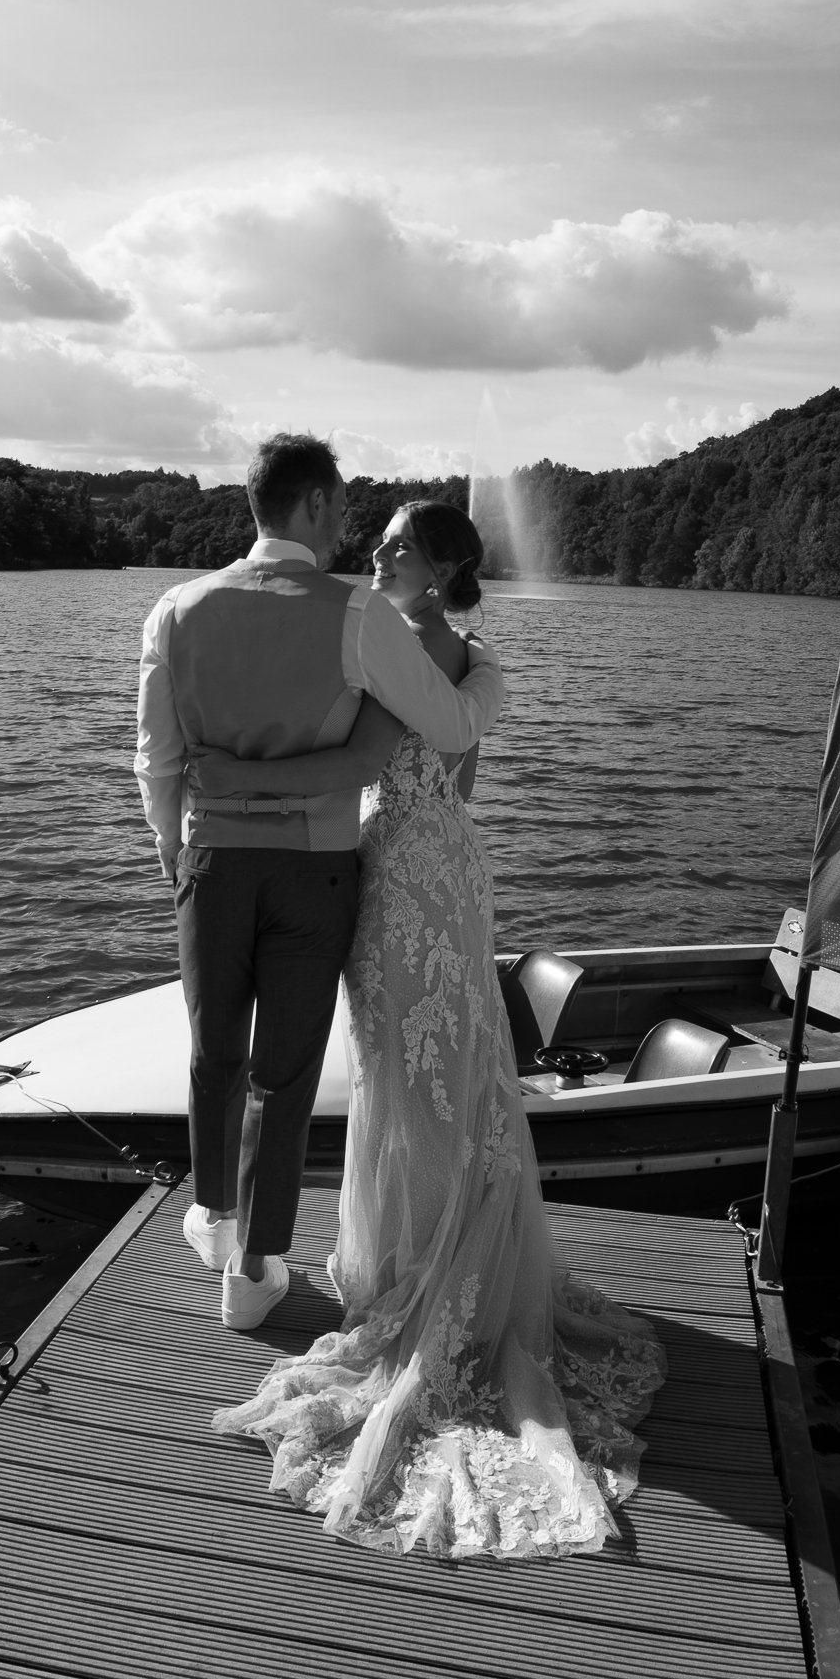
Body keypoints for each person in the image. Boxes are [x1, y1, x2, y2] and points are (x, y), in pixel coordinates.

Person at [194, 501, 666, 1558]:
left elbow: (355, 766)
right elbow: (454, 772)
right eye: (381, 541)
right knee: (447, 1072)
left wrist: (231, 779)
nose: (380, 553)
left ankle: (423, 1269)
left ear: (447, 561)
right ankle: (438, 1251)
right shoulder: (472, 659)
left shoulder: (376, 646)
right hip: (448, 868)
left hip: (400, 879)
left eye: (402, 544)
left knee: (413, 1079)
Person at [133, 437, 506, 1333]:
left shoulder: (175, 608)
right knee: (287, 1070)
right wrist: (489, 671)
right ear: (307, 508)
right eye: (340, 509)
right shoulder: (357, 613)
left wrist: (169, 843)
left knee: (211, 1050)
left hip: (212, 860)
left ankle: (212, 1219)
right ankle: (255, 1269)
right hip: (319, 868)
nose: (349, 528)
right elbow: (450, 720)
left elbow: (156, 759)